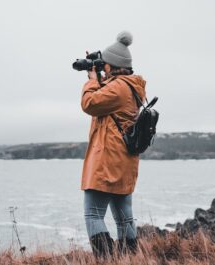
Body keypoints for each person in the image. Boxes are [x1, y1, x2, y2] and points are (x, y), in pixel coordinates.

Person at [80, 31, 147, 259]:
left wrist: (91, 81)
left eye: (106, 64)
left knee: (93, 215)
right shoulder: (131, 86)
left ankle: (106, 260)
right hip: (125, 160)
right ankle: (130, 259)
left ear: (114, 65)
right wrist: (99, 75)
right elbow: (106, 97)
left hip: (107, 161)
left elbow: (90, 103)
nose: (104, 67)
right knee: (124, 216)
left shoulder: (117, 89)